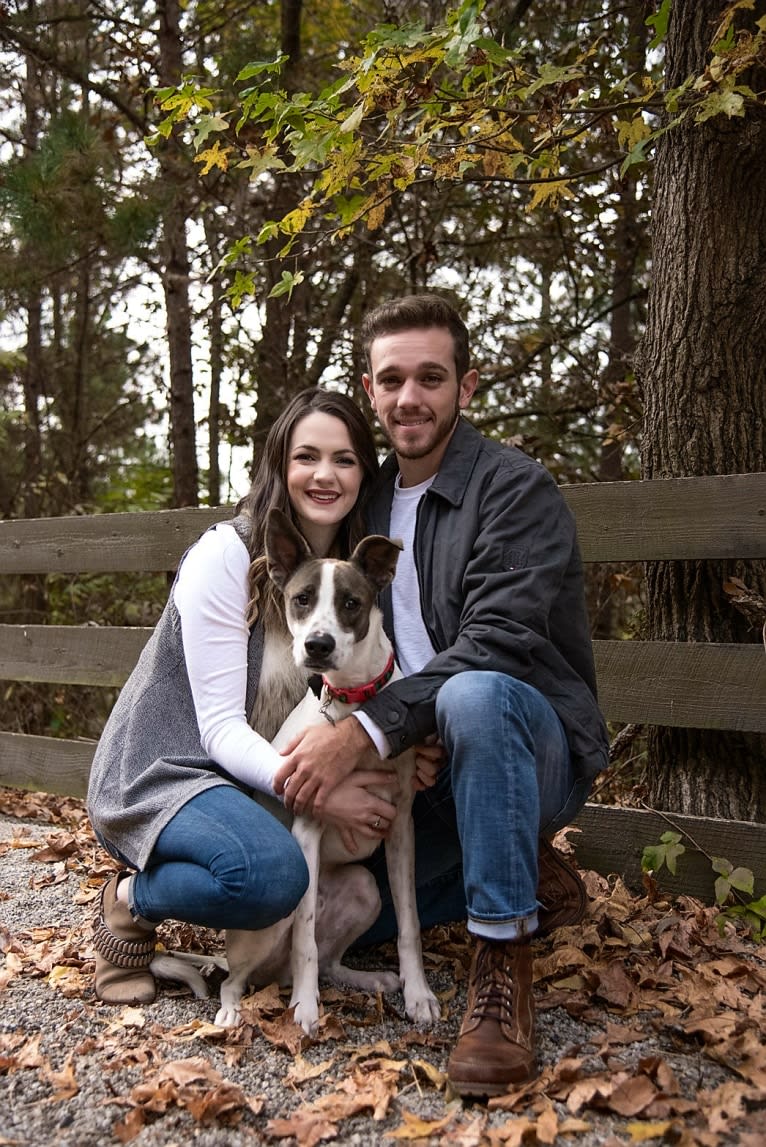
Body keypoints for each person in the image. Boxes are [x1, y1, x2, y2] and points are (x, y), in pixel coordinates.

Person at [272, 295, 609, 1097]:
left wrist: (370, 732)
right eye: (391, 379)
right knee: (355, 914)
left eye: (431, 376)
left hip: (520, 741)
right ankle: (519, 877)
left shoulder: (514, 488)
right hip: (419, 762)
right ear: (370, 386)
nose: (409, 397)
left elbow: (495, 644)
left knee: (477, 695)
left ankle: (501, 968)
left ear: (467, 383)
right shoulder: (369, 499)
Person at [86, 387, 400, 1006]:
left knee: (396, 856)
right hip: (170, 772)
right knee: (275, 875)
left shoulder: (350, 578)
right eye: (307, 456)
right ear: (281, 465)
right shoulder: (227, 553)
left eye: (344, 459)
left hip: (254, 786)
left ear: (365, 472)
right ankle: (129, 902)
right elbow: (220, 730)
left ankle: (282, 954)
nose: (325, 474)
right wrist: (321, 788)